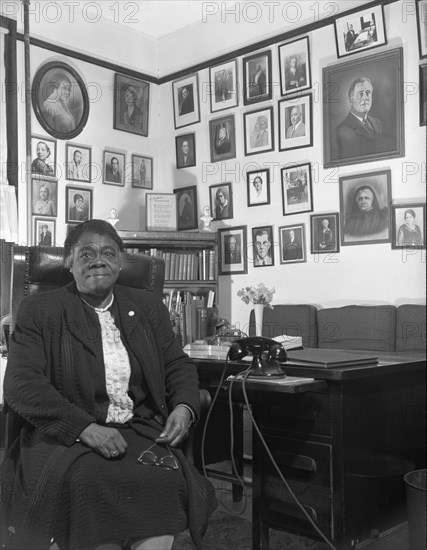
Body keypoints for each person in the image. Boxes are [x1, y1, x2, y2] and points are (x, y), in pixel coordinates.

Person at [1, 219, 217, 550]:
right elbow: (21, 383)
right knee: (88, 481)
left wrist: (185, 408)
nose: (97, 260)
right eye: (85, 253)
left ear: (120, 261)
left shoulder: (147, 307)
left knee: (164, 477)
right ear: (69, 261)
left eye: (107, 252)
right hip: (67, 434)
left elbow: (177, 364)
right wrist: (84, 428)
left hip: (139, 429)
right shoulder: (39, 309)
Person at [334, 77, 390, 159]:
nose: (365, 98)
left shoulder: (378, 123)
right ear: (350, 99)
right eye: (360, 94)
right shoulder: (340, 130)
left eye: (368, 92)